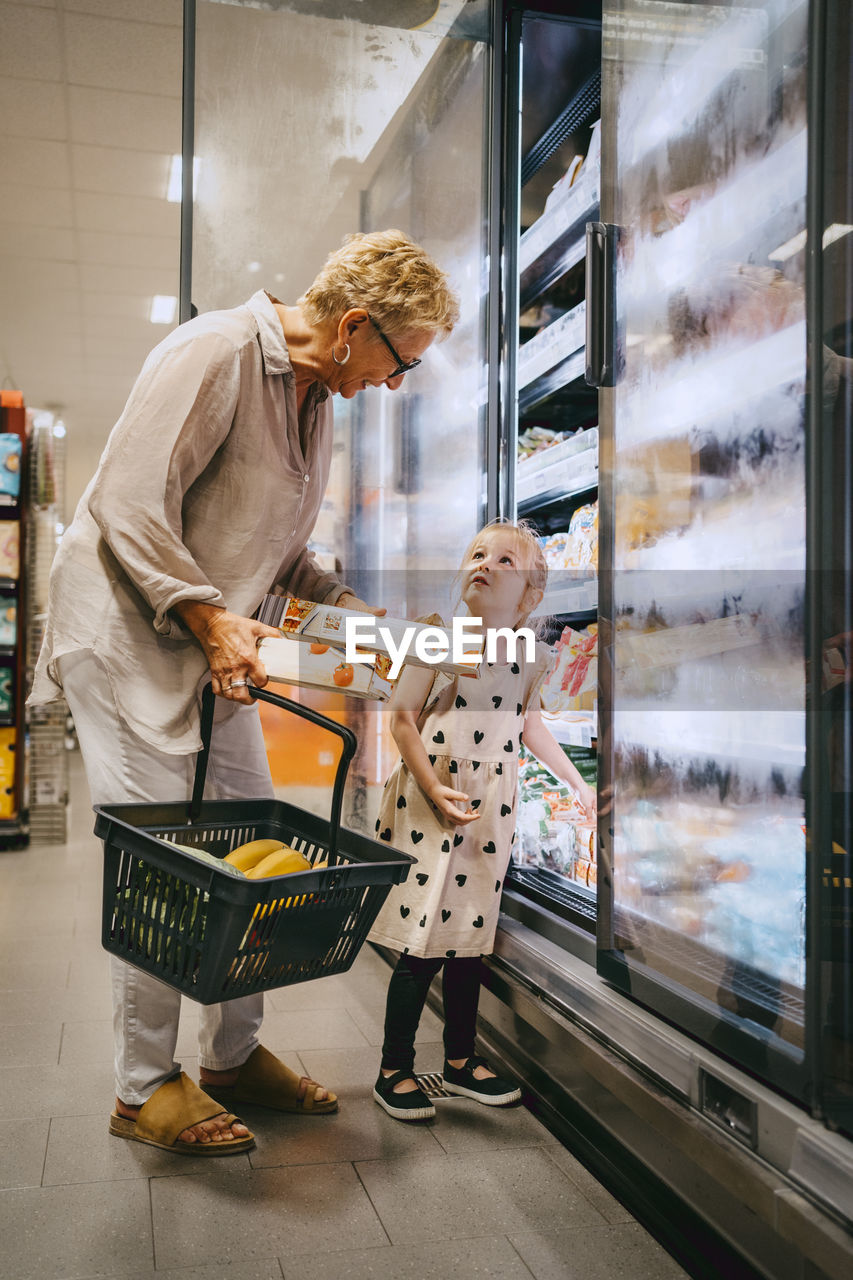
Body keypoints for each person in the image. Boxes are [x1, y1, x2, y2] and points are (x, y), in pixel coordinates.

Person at [29, 229, 459, 1155]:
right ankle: (143, 1088)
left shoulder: (315, 401)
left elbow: (276, 547)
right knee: (162, 857)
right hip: (127, 640)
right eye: (397, 363)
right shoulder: (214, 350)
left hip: (211, 649)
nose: (393, 385)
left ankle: (231, 1054)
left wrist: (349, 609)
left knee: (251, 838)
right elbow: (130, 503)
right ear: (352, 327)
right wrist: (211, 618)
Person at [369, 519, 596, 1120]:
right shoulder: (435, 640)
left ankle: (460, 1060)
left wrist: (578, 782)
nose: (484, 564)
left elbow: (529, 726)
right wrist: (435, 787)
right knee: (421, 940)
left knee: (470, 937)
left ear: (530, 598)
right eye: (476, 554)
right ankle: (394, 1067)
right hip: (430, 801)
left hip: (489, 808)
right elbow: (401, 721)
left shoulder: (530, 658)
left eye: (504, 560)